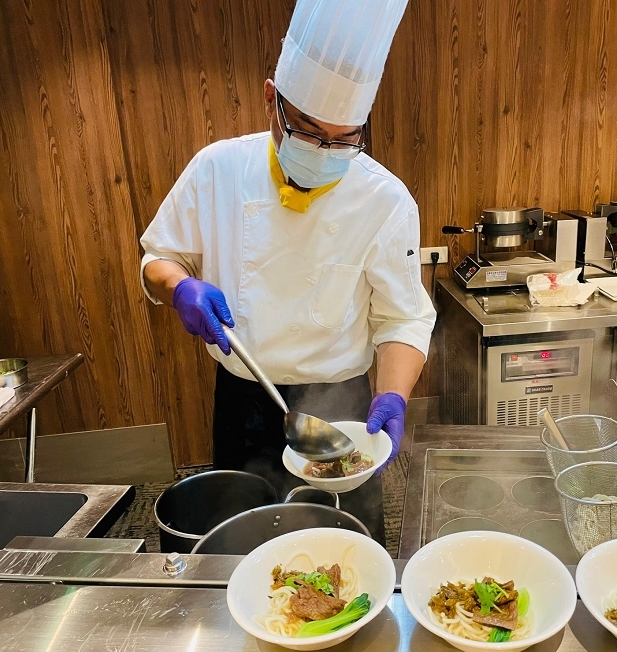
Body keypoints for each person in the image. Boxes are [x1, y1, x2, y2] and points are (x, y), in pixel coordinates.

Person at [139, 0, 434, 544]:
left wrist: (392, 395)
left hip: (342, 410)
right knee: (243, 548)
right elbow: (159, 256)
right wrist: (180, 285)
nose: (325, 152)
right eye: (307, 130)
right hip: (245, 399)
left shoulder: (386, 200)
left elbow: (403, 318)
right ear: (272, 99)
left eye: (344, 139)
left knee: (344, 551)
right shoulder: (218, 168)